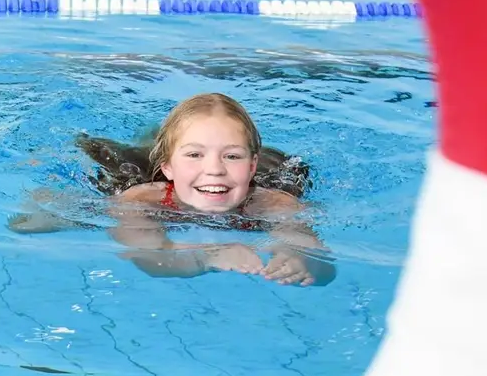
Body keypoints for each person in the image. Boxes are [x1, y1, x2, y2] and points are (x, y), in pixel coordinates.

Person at [108, 93, 334, 286]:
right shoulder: (141, 200)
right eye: (194, 155)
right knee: (133, 157)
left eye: (232, 156)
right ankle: (151, 135)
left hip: (266, 172)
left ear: (252, 166)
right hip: (145, 169)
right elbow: (147, 256)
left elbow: (322, 263)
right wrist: (206, 257)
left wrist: (301, 258)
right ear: (167, 167)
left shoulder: (274, 203)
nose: (214, 169)